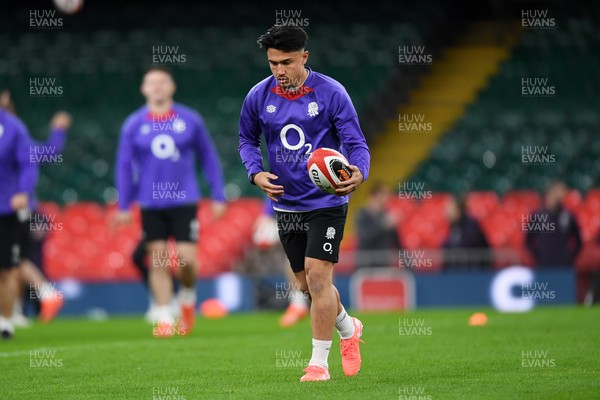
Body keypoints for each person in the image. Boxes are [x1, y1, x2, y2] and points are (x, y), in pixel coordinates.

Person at [238, 25, 370, 381]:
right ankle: (348, 328)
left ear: (304, 57)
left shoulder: (332, 93)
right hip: (286, 205)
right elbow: (246, 140)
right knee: (306, 286)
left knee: (317, 274)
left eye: (286, 62)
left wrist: (361, 172)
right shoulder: (257, 96)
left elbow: (356, 143)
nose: (279, 71)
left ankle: (318, 364)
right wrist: (255, 173)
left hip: (328, 200)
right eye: (272, 63)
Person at [114, 66, 226, 337]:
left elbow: (208, 157)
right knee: (158, 259)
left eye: (162, 82)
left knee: (187, 261)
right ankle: (164, 315)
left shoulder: (190, 119)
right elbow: (124, 165)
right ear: (143, 88)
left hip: (184, 200)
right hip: (150, 203)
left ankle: (187, 296)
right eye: (151, 82)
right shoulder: (133, 124)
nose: (157, 87)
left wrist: (218, 194)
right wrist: (123, 204)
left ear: (172, 87)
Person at [0, 106, 38, 339]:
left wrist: (24, 191)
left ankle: (6, 320)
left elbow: (28, 161)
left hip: (5, 208)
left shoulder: (13, 126)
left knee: (6, 268)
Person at [525, 180, 582, 267]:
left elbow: (578, 241)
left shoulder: (568, 216)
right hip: (544, 266)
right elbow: (528, 241)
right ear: (550, 192)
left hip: (564, 266)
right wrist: (539, 255)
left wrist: (570, 257)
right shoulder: (538, 216)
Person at [355, 182, 400, 268]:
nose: (385, 199)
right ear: (373, 196)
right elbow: (365, 236)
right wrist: (383, 224)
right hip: (365, 264)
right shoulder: (362, 215)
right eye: (382, 195)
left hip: (383, 264)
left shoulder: (387, 216)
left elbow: (396, 242)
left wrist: (407, 262)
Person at [442, 194, 491, 270]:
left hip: (471, 273)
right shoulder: (452, 227)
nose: (447, 211)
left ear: (458, 209)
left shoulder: (471, 225)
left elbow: (473, 246)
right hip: (454, 274)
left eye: (450, 208)